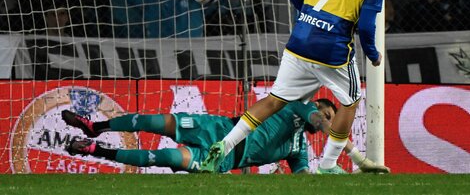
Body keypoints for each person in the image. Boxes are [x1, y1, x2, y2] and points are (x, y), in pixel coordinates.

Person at [200, 0, 385, 174]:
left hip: (300, 42)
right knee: (351, 100)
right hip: (332, 50)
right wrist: (372, 53)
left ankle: (224, 145)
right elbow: (367, 25)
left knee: (274, 100)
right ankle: (329, 165)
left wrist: (304, 13)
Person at [61, 98, 389, 174]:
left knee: (166, 158)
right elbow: (318, 120)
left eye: (333, 118)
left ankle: (94, 150)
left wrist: (343, 176)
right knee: (153, 121)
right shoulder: (298, 109)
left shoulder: (298, 149)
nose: (326, 121)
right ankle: (95, 127)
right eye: (327, 113)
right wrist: (347, 144)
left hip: (226, 157)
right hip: (219, 128)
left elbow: (304, 177)